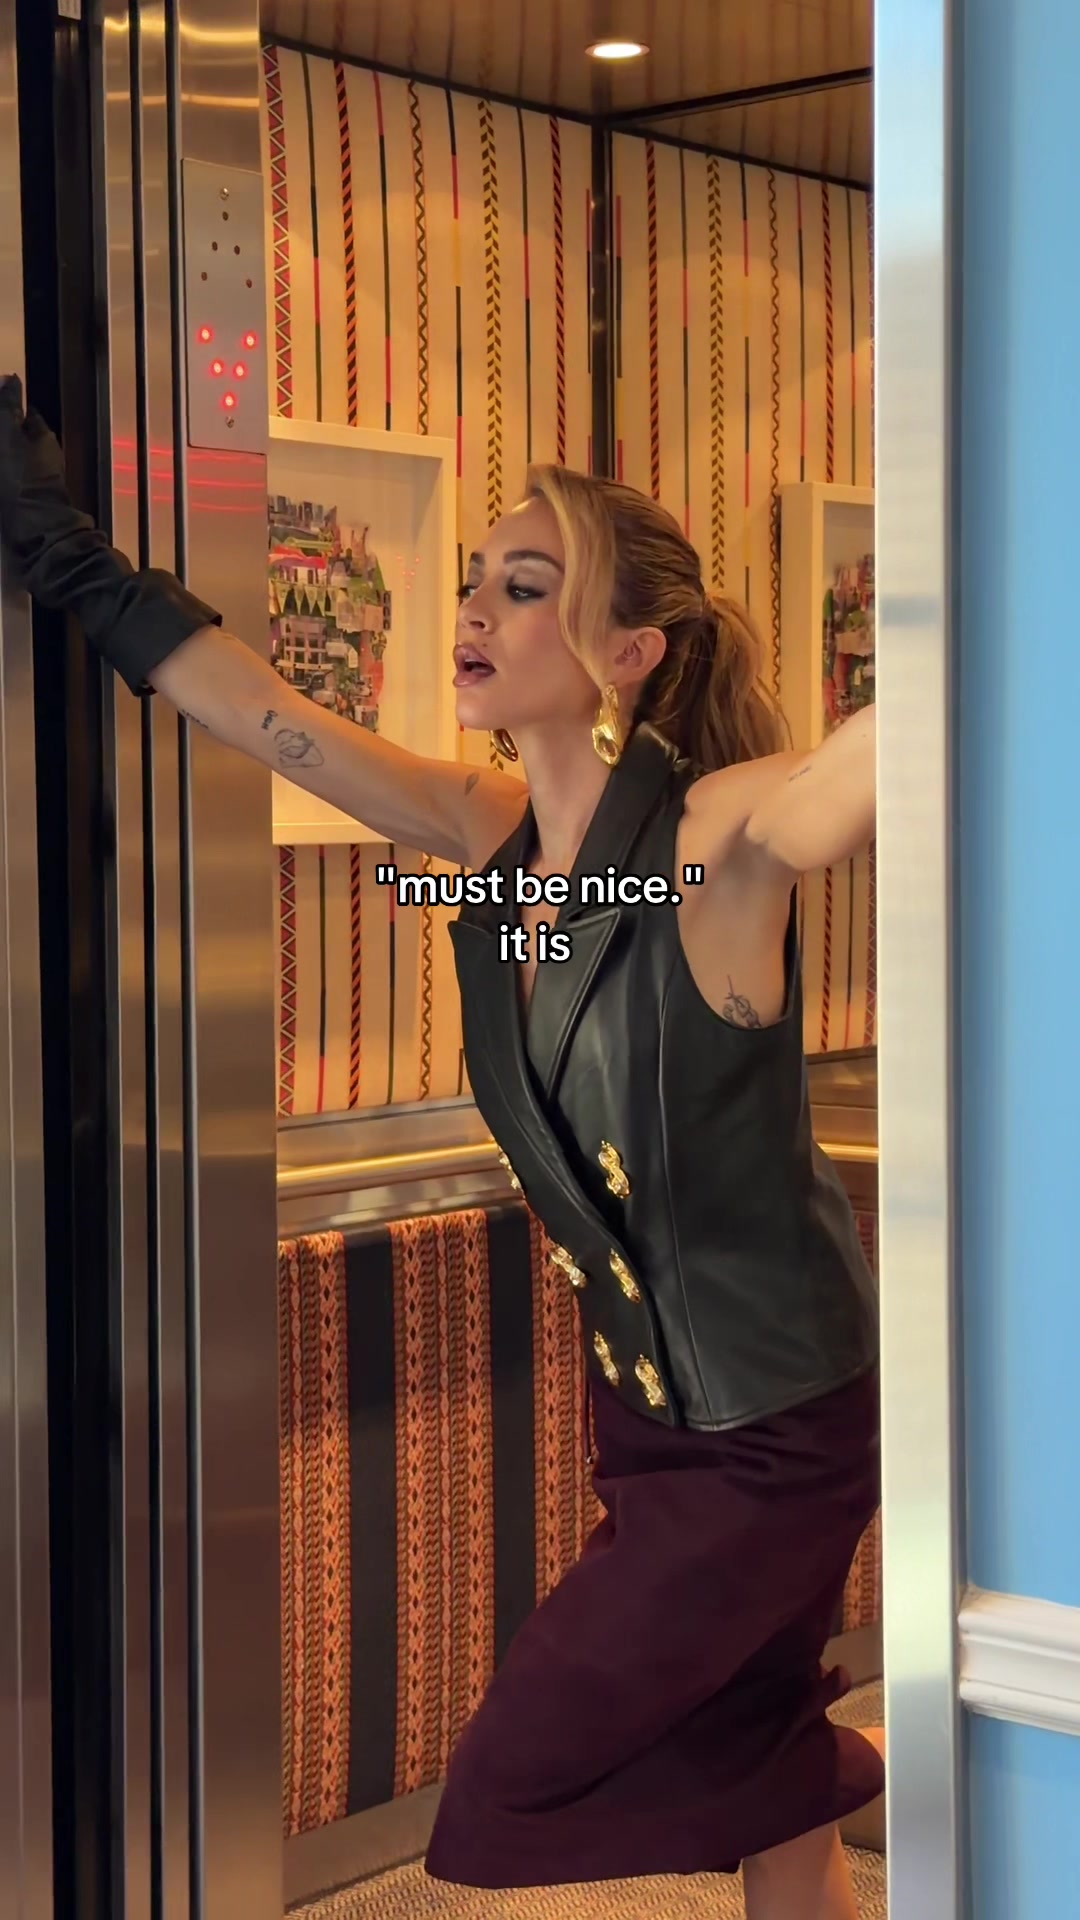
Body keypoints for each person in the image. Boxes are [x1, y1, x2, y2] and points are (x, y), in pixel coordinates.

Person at [0, 376, 884, 1920]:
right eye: (475, 576)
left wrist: (981, 602)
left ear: (626, 655)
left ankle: (899, 1754)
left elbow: (826, 802)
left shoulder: (710, 840)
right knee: (754, 1750)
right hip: (652, 1416)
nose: (475, 609)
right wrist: (60, 551)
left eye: (525, 587)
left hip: (779, 1418)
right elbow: (260, 714)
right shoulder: (486, 838)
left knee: (512, 1785)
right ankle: (824, 1780)